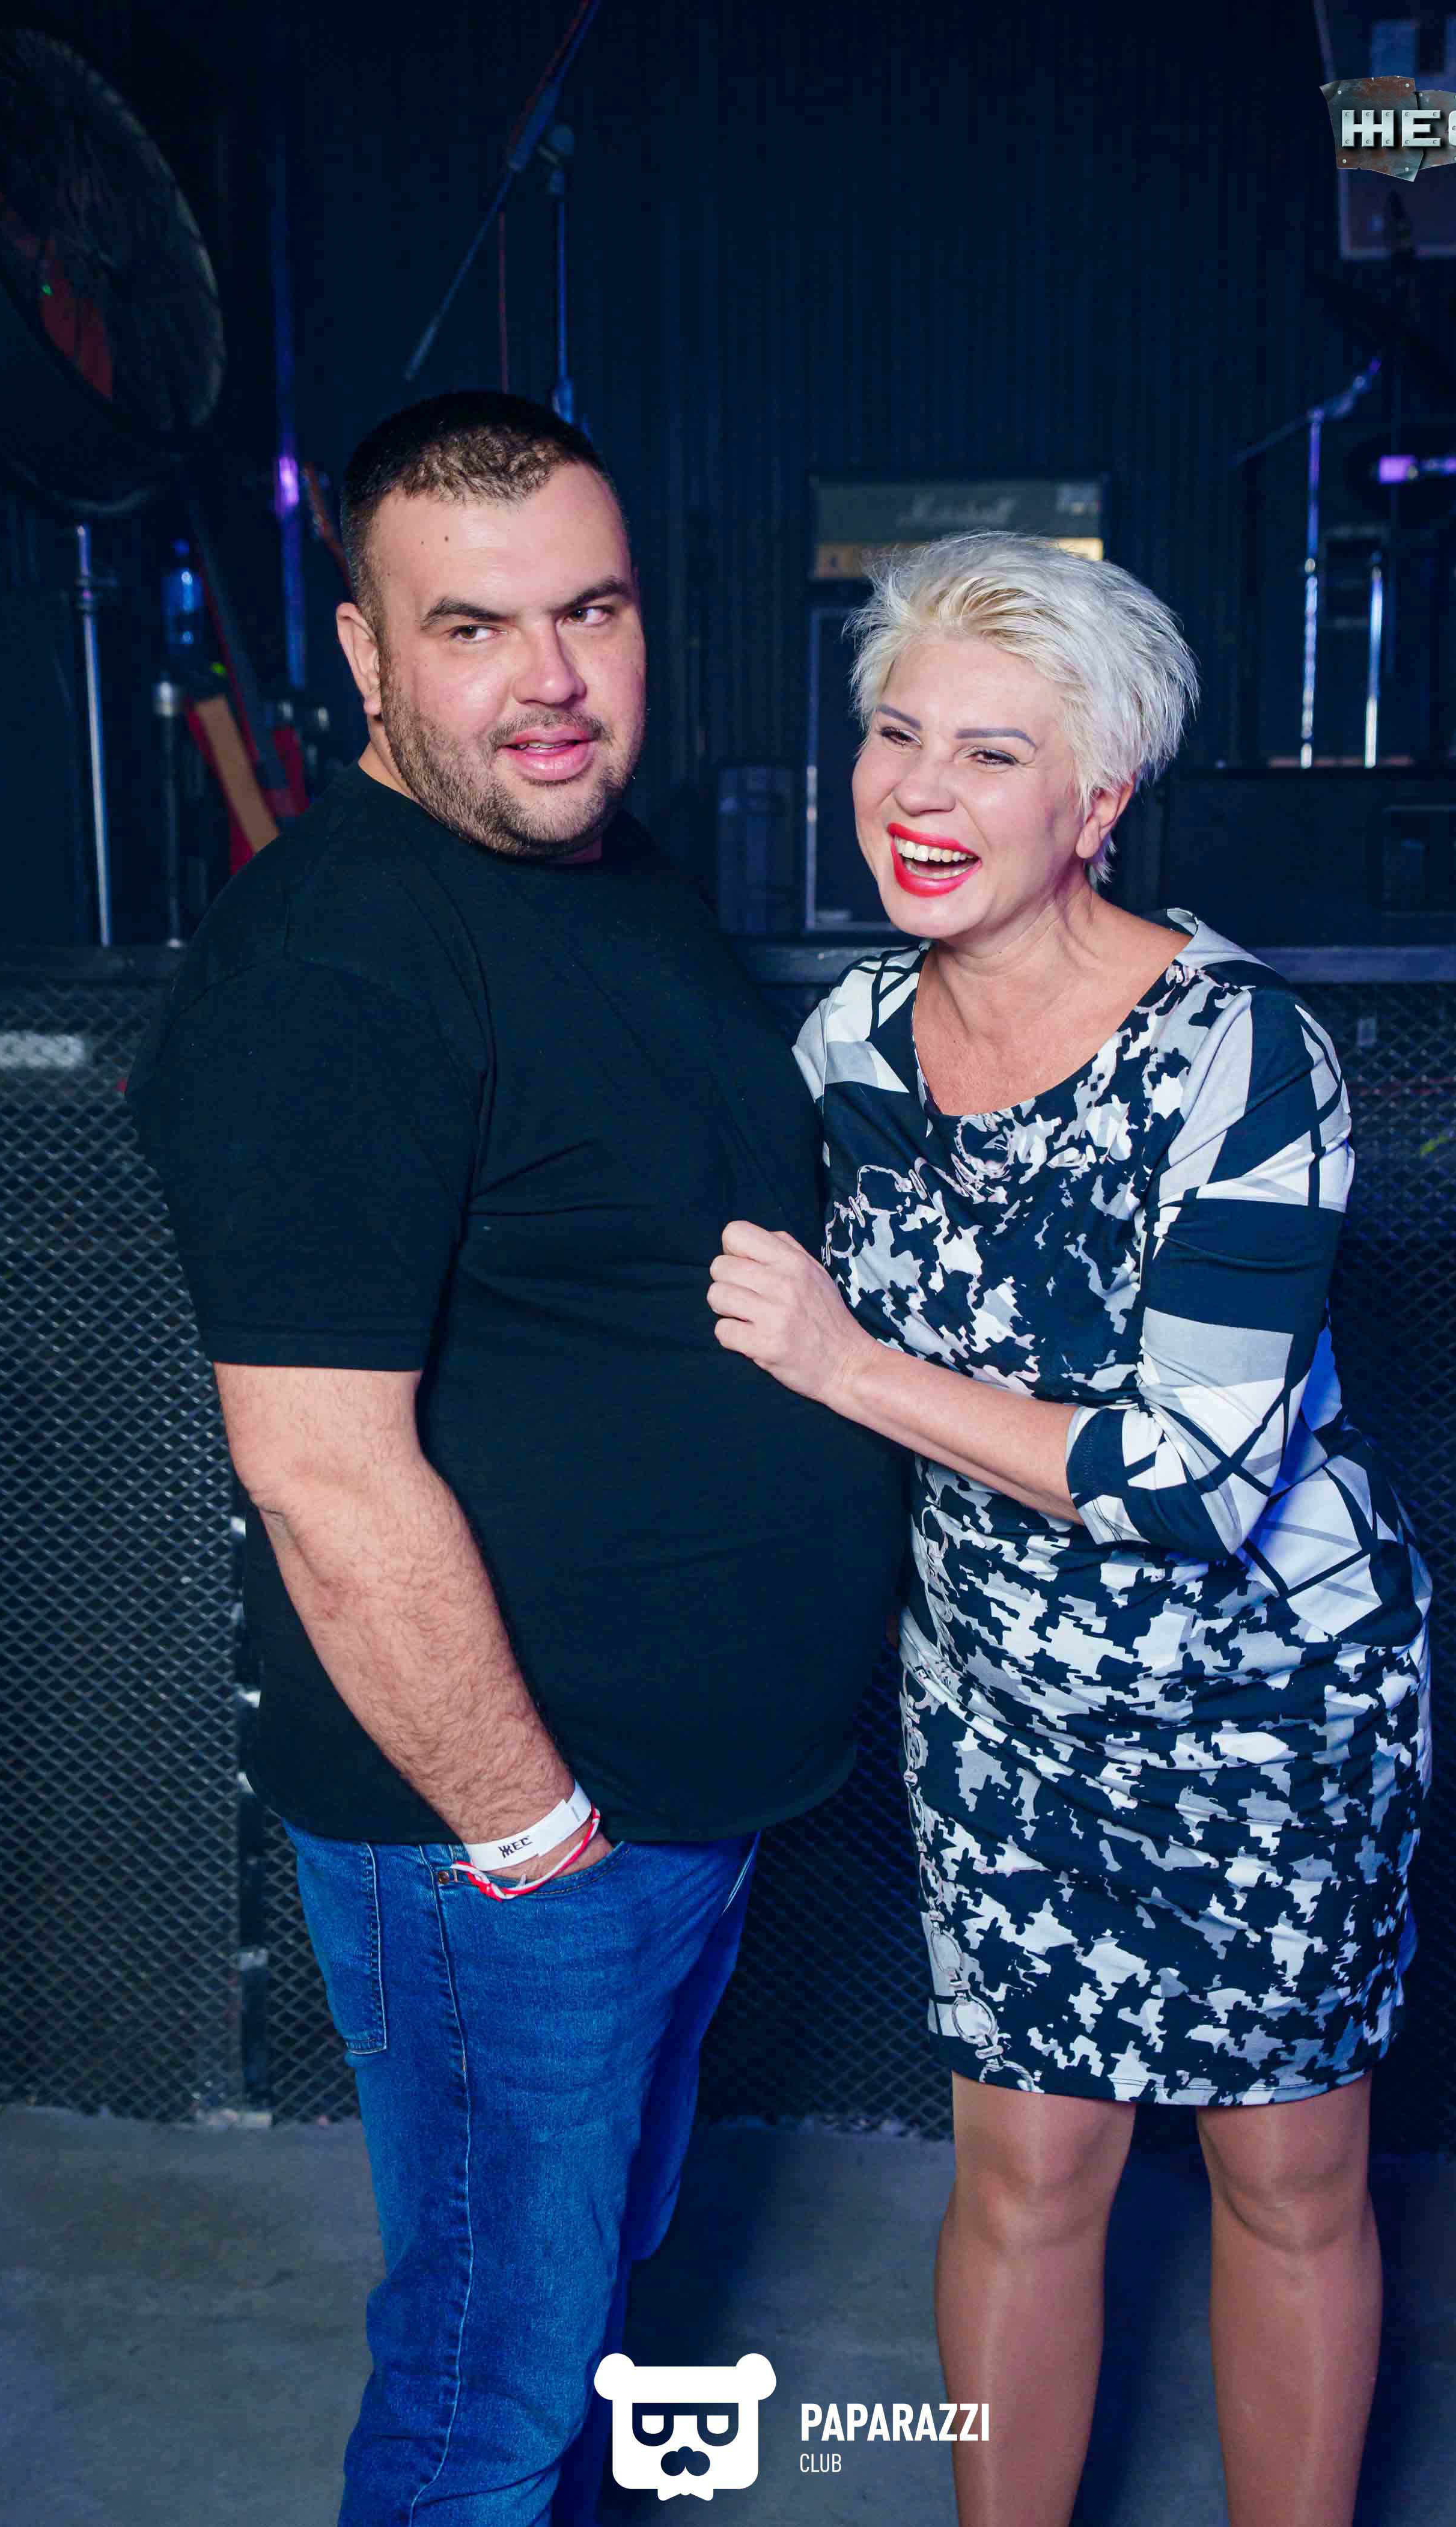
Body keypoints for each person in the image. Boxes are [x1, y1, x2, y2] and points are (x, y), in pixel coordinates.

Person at [124, 391, 904, 2527]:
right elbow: (319, 1475)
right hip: (517, 1842)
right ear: (366, 659)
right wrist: (530, 1830)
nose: (551, 680)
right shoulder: (333, 964)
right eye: (472, 628)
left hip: (669, 1813)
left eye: (593, 611)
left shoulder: (607, 871)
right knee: (491, 2392)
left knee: (573, 2326)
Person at [705, 531, 1432, 2527]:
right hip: (999, 1699)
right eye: (895, 735)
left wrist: (848, 1364)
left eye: (992, 753)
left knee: (1284, 2173)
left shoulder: (1243, 1055)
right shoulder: (848, 1046)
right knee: (1026, 2173)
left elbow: (1193, 1475)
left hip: (1266, 1702)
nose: (919, 792)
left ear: (1097, 803)